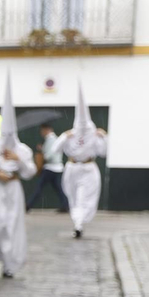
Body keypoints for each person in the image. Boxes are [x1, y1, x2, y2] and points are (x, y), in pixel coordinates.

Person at [0, 74, 37, 278]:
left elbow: (30, 172)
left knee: (12, 227)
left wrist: (18, 160)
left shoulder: (22, 150)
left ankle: (8, 264)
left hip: (13, 191)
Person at [60, 82, 107, 238]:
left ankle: (78, 223)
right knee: (73, 198)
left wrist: (104, 137)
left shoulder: (94, 136)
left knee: (83, 198)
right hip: (72, 169)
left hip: (88, 170)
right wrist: (63, 137)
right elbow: (55, 149)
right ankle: (78, 221)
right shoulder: (70, 136)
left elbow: (103, 152)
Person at [28, 123, 70, 213]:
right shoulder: (53, 139)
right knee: (58, 188)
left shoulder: (51, 139)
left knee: (39, 187)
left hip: (50, 168)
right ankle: (65, 205)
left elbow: (51, 153)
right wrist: (42, 149)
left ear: (46, 130)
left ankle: (28, 205)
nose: (41, 133)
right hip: (57, 168)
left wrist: (44, 157)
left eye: (42, 131)